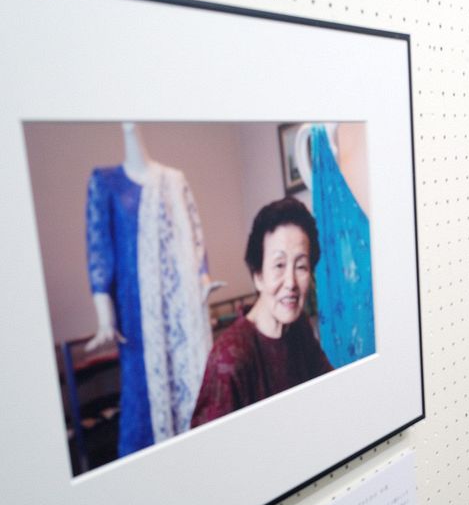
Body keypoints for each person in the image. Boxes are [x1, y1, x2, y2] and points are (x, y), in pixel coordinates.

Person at [85, 123, 214, 458]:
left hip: (180, 318)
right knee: (142, 412)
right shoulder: (106, 183)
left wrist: (202, 284)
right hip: (135, 323)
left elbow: (196, 241)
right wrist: (104, 317)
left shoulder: (174, 181)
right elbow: (100, 251)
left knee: (193, 401)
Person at [190, 198, 332, 427]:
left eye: (301, 266)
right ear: (258, 276)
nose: (291, 283)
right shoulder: (230, 357)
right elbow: (208, 456)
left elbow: (330, 390)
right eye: (279, 265)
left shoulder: (299, 327)